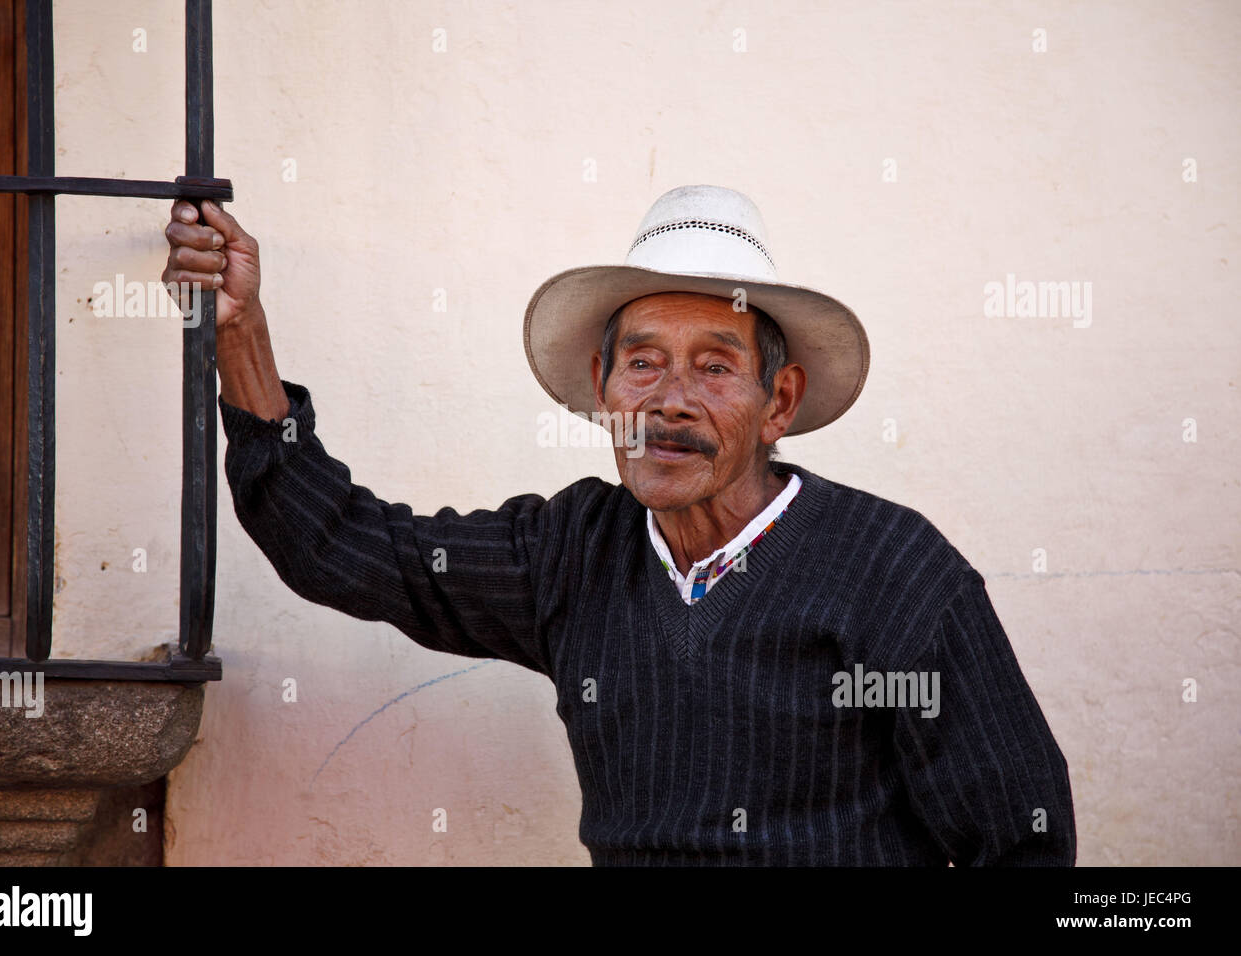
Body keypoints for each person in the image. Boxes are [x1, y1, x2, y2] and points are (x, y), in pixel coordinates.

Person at [162, 183, 1077, 866]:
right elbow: (342, 546)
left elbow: (1023, 840)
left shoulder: (893, 571)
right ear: (603, 391)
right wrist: (240, 334)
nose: (670, 402)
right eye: (643, 363)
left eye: (716, 367)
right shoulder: (572, 552)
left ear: (778, 403)